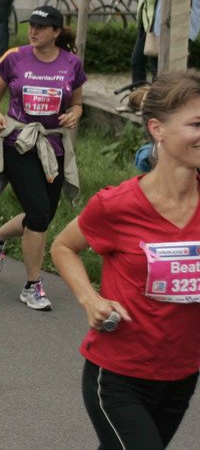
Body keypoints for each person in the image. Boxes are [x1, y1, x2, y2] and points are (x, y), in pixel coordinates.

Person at [51, 70, 200, 450]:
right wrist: (91, 300)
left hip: (182, 374)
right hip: (119, 376)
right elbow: (63, 247)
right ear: (157, 129)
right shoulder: (117, 205)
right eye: (196, 124)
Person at [0, 5, 85, 310]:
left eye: (41, 27)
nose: (33, 31)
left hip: (54, 146)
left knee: (42, 216)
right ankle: (32, 286)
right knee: (38, 215)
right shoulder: (14, 57)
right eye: (31, 25)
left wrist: (74, 114)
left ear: (56, 32)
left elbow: (77, 103)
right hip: (19, 143)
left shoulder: (72, 63)